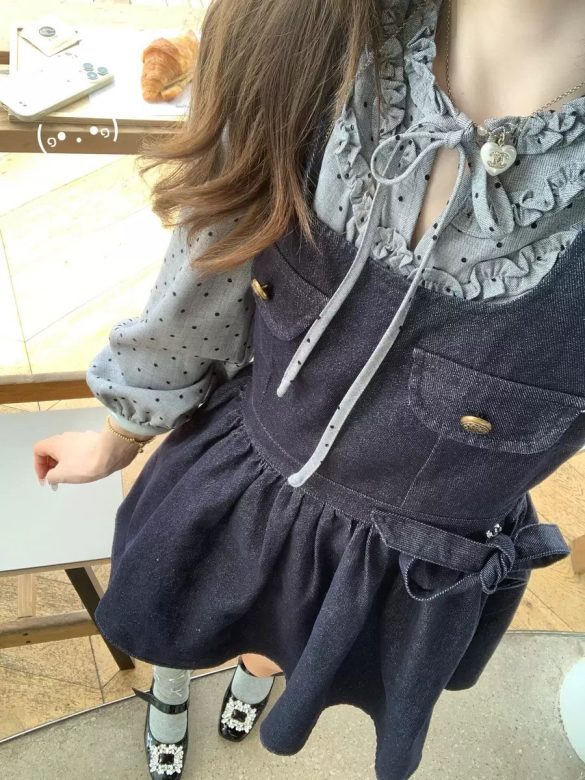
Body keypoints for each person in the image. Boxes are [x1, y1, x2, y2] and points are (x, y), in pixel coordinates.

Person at [33, 0, 585, 777]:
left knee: (275, 649)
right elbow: (206, 263)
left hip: (389, 574)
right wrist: (122, 428)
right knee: (180, 615)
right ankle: (169, 693)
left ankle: (252, 685)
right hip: (238, 484)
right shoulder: (292, 31)